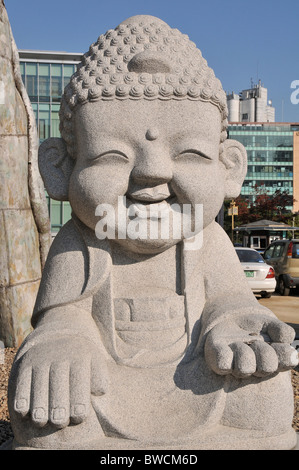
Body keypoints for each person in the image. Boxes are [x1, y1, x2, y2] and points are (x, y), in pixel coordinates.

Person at [8, 15, 298, 450]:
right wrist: (61, 345)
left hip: (198, 377)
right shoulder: (80, 241)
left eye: (190, 154)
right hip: (107, 385)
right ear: (60, 169)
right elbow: (63, 316)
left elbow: (229, 302)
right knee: (45, 412)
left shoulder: (209, 240)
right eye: (111, 154)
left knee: (266, 394)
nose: (153, 172)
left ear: (228, 169)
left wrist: (236, 328)